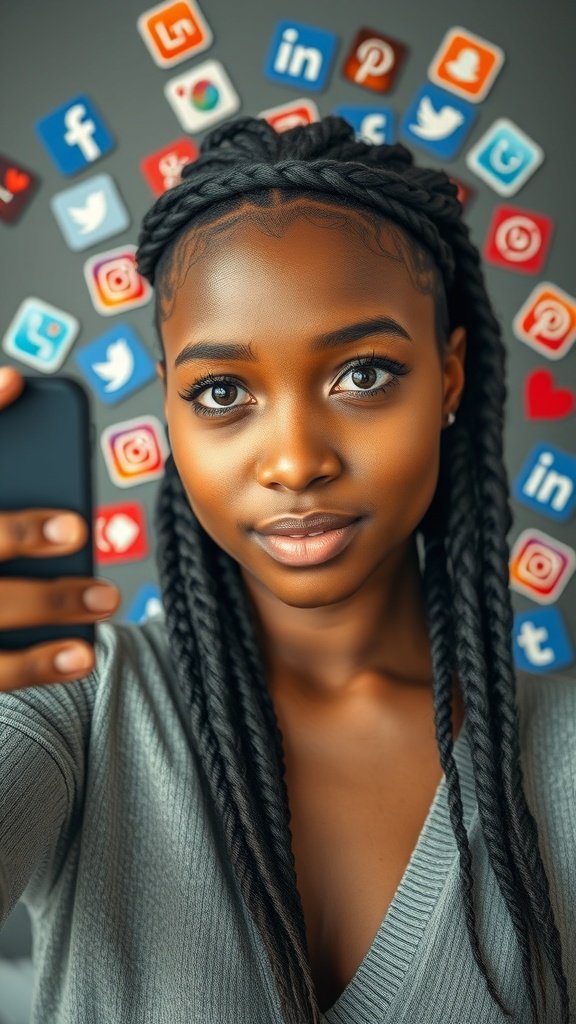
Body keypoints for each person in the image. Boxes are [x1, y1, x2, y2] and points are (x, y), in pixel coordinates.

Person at [0, 115, 573, 1024]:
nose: (295, 459)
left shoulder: (566, 758)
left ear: (451, 378)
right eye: (222, 392)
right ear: (171, 408)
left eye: (364, 374)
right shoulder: (67, 694)